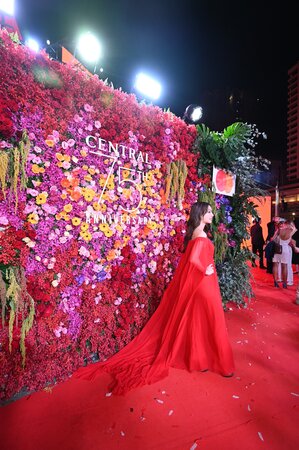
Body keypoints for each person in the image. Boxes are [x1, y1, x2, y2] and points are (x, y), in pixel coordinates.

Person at [73, 202, 235, 395]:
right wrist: (204, 269)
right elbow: (193, 260)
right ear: (200, 214)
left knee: (199, 319)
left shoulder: (196, 234)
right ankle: (221, 364)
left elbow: (192, 258)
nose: (211, 214)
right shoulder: (200, 236)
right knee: (211, 318)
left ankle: (199, 360)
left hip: (202, 283)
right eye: (208, 212)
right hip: (204, 282)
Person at [272, 221, 297, 288]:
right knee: (284, 266)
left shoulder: (278, 231)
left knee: (275, 265)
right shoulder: (289, 231)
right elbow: (294, 229)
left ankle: (275, 281)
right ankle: (285, 283)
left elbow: (272, 239)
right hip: (285, 249)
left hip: (277, 249)